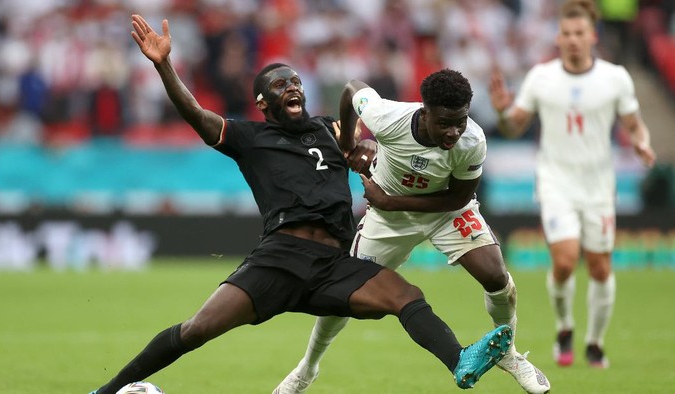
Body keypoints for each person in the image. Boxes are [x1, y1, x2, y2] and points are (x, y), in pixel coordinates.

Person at [88, 14, 513, 394]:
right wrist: (164, 65)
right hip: (280, 259)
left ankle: (459, 362)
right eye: (279, 84)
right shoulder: (249, 138)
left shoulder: (329, 131)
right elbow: (197, 115)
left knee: (406, 294)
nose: (292, 86)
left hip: (334, 264)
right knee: (197, 330)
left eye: (295, 81)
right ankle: (106, 391)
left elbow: (365, 150)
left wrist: (364, 155)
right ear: (262, 103)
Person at [273, 69, 551, 394]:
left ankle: (510, 355)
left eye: (460, 121)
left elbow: (459, 198)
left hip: (443, 211)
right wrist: (347, 141)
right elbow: (351, 89)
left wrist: (391, 201)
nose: (453, 132)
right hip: (389, 221)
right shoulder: (387, 117)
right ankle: (307, 368)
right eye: (444, 122)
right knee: (342, 294)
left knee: (496, 276)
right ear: (424, 111)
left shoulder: (472, 142)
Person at [488, 0, 656, 369]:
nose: (573, 40)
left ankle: (594, 342)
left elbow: (633, 124)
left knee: (599, 267)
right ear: (558, 37)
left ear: (592, 36)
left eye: (580, 33)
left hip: (598, 186)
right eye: (567, 34)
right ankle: (565, 327)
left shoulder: (615, 78)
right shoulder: (542, 77)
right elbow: (514, 126)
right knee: (564, 262)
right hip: (555, 182)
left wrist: (642, 141)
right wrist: (502, 109)